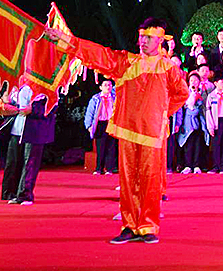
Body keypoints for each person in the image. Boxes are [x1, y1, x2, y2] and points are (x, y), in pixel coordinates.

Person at [47, 17, 189, 244]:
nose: (143, 41)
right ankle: (129, 225)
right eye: (141, 36)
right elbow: (98, 54)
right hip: (128, 129)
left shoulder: (168, 68)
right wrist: (66, 39)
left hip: (153, 132)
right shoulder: (126, 62)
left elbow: (182, 94)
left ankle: (148, 225)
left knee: (151, 180)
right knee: (128, 179)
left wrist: (162, 112)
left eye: (149, 37)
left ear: (160, 40)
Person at [0, 85, 57, 204]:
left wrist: (33, 110)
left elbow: (52, 107)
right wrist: (5, 105)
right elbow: (12, 103)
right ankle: (11, 193)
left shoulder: (47, 86)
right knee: (13, 162)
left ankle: (25, 194)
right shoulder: (18, 85)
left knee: (30, 163)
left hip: (34, 131)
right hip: (17, 129)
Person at [84, 79, 118, 175]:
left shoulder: (115, 97)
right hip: (100, 124)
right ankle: (99, 168)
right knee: (101, 147)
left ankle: (110, 169)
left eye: (110, 85)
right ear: (100, 87)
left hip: (111, 123)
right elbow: (90, 113)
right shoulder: (96, 98)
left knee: (111, 147)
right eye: (105, 85)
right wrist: (89, 125)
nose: (108, 87)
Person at [205, 77, 223, 173]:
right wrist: (210, 127)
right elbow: (208, 112)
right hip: (216, 122)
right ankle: (216, 166)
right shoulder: (211, 96)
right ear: (215, 83)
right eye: (221, 82)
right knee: (216, 145)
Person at [179, 72, 206, 174]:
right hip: (187, 122)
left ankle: (196, 165)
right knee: (188, 144)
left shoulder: (202, 92)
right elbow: (186, 105)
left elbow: (203, 106)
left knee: (198, 144)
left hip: (198, 120)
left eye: (195, 80)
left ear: (199, 82)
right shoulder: (185, 92)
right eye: (191, 80)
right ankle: (188, 165)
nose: (193, 82)